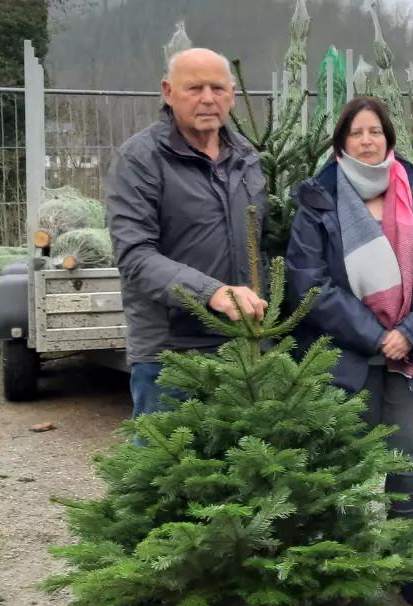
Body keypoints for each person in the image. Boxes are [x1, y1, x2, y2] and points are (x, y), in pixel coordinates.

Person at [285, 96, 413, 606]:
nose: (368, 140)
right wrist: (373, 334)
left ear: (389, 138)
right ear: (342, 141)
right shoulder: (319, 200)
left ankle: (405, 564)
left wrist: (409, 332)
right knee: (344, 462)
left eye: (376, 132)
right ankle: (347, 564)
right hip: (348, 357)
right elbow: (310, 283)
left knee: (411, 457)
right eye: (357, 132)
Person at [108, 47, 267, 418]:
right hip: (170, 353)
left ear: (232, 94)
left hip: (241, 345)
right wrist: (213, 293)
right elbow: (135, 255)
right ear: (168, 91)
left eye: (218, 88)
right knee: (168, 470)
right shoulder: (140, 159)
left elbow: (260, 243)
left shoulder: (246, 157)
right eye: (194, 88)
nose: (208, 99)